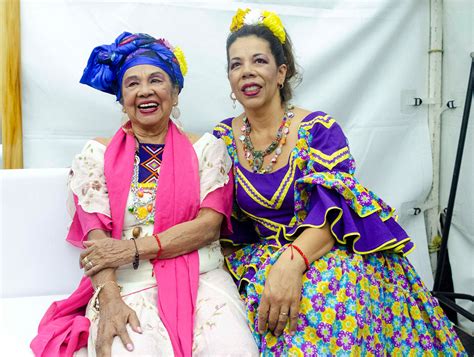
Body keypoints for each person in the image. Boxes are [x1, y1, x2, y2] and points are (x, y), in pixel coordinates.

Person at [213, 8, 467, 356]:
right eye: (235, 64)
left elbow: (334, 211)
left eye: (259, 60)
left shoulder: (318, 130)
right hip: (258, 259)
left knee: (327, 303)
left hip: (323, 248)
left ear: (281, 72)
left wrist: (291, 264)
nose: (247, 72)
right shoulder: (222, 139)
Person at [31, 32, 258, 357]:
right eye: (132, 83)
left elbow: (208, 226)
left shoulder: (207, 149)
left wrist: (128, 249)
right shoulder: (95, 155)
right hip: (123, 284)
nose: (145, 90)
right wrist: (109, 300)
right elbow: (97, 243)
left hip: (202, 277)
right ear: (122, 98)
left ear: (175, 93)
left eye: (156, 79)